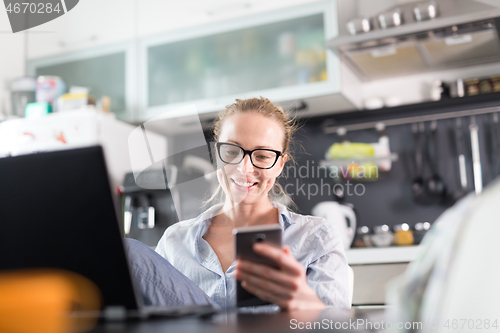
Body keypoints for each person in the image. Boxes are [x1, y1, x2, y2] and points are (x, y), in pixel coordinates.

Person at [125, 97, 350, 311]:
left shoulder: (316, 238)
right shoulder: (175, 241)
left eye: (262, 156)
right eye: (232, 151)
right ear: (216, 154)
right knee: (129, 251)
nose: (244, 168)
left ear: (280, 164)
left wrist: (303, 301)